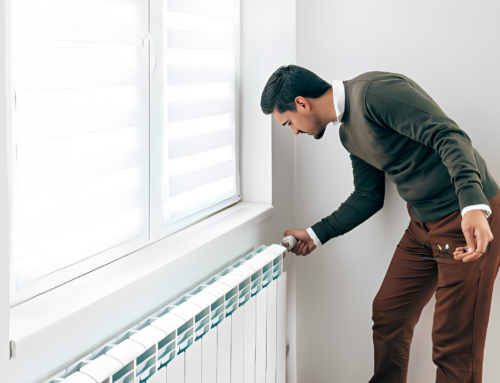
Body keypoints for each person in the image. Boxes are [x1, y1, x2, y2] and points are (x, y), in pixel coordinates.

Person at [260, 65, 500, 383]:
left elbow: (449, 135)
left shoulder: (375, 93)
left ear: (302, 103)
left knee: (453, 345)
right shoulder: (348, 133)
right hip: (422, 224)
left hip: (466, 220)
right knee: (389, 313)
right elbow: (368, 196)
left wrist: (471, 204)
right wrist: (316, 234)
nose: (293, 131)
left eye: (288, 122)